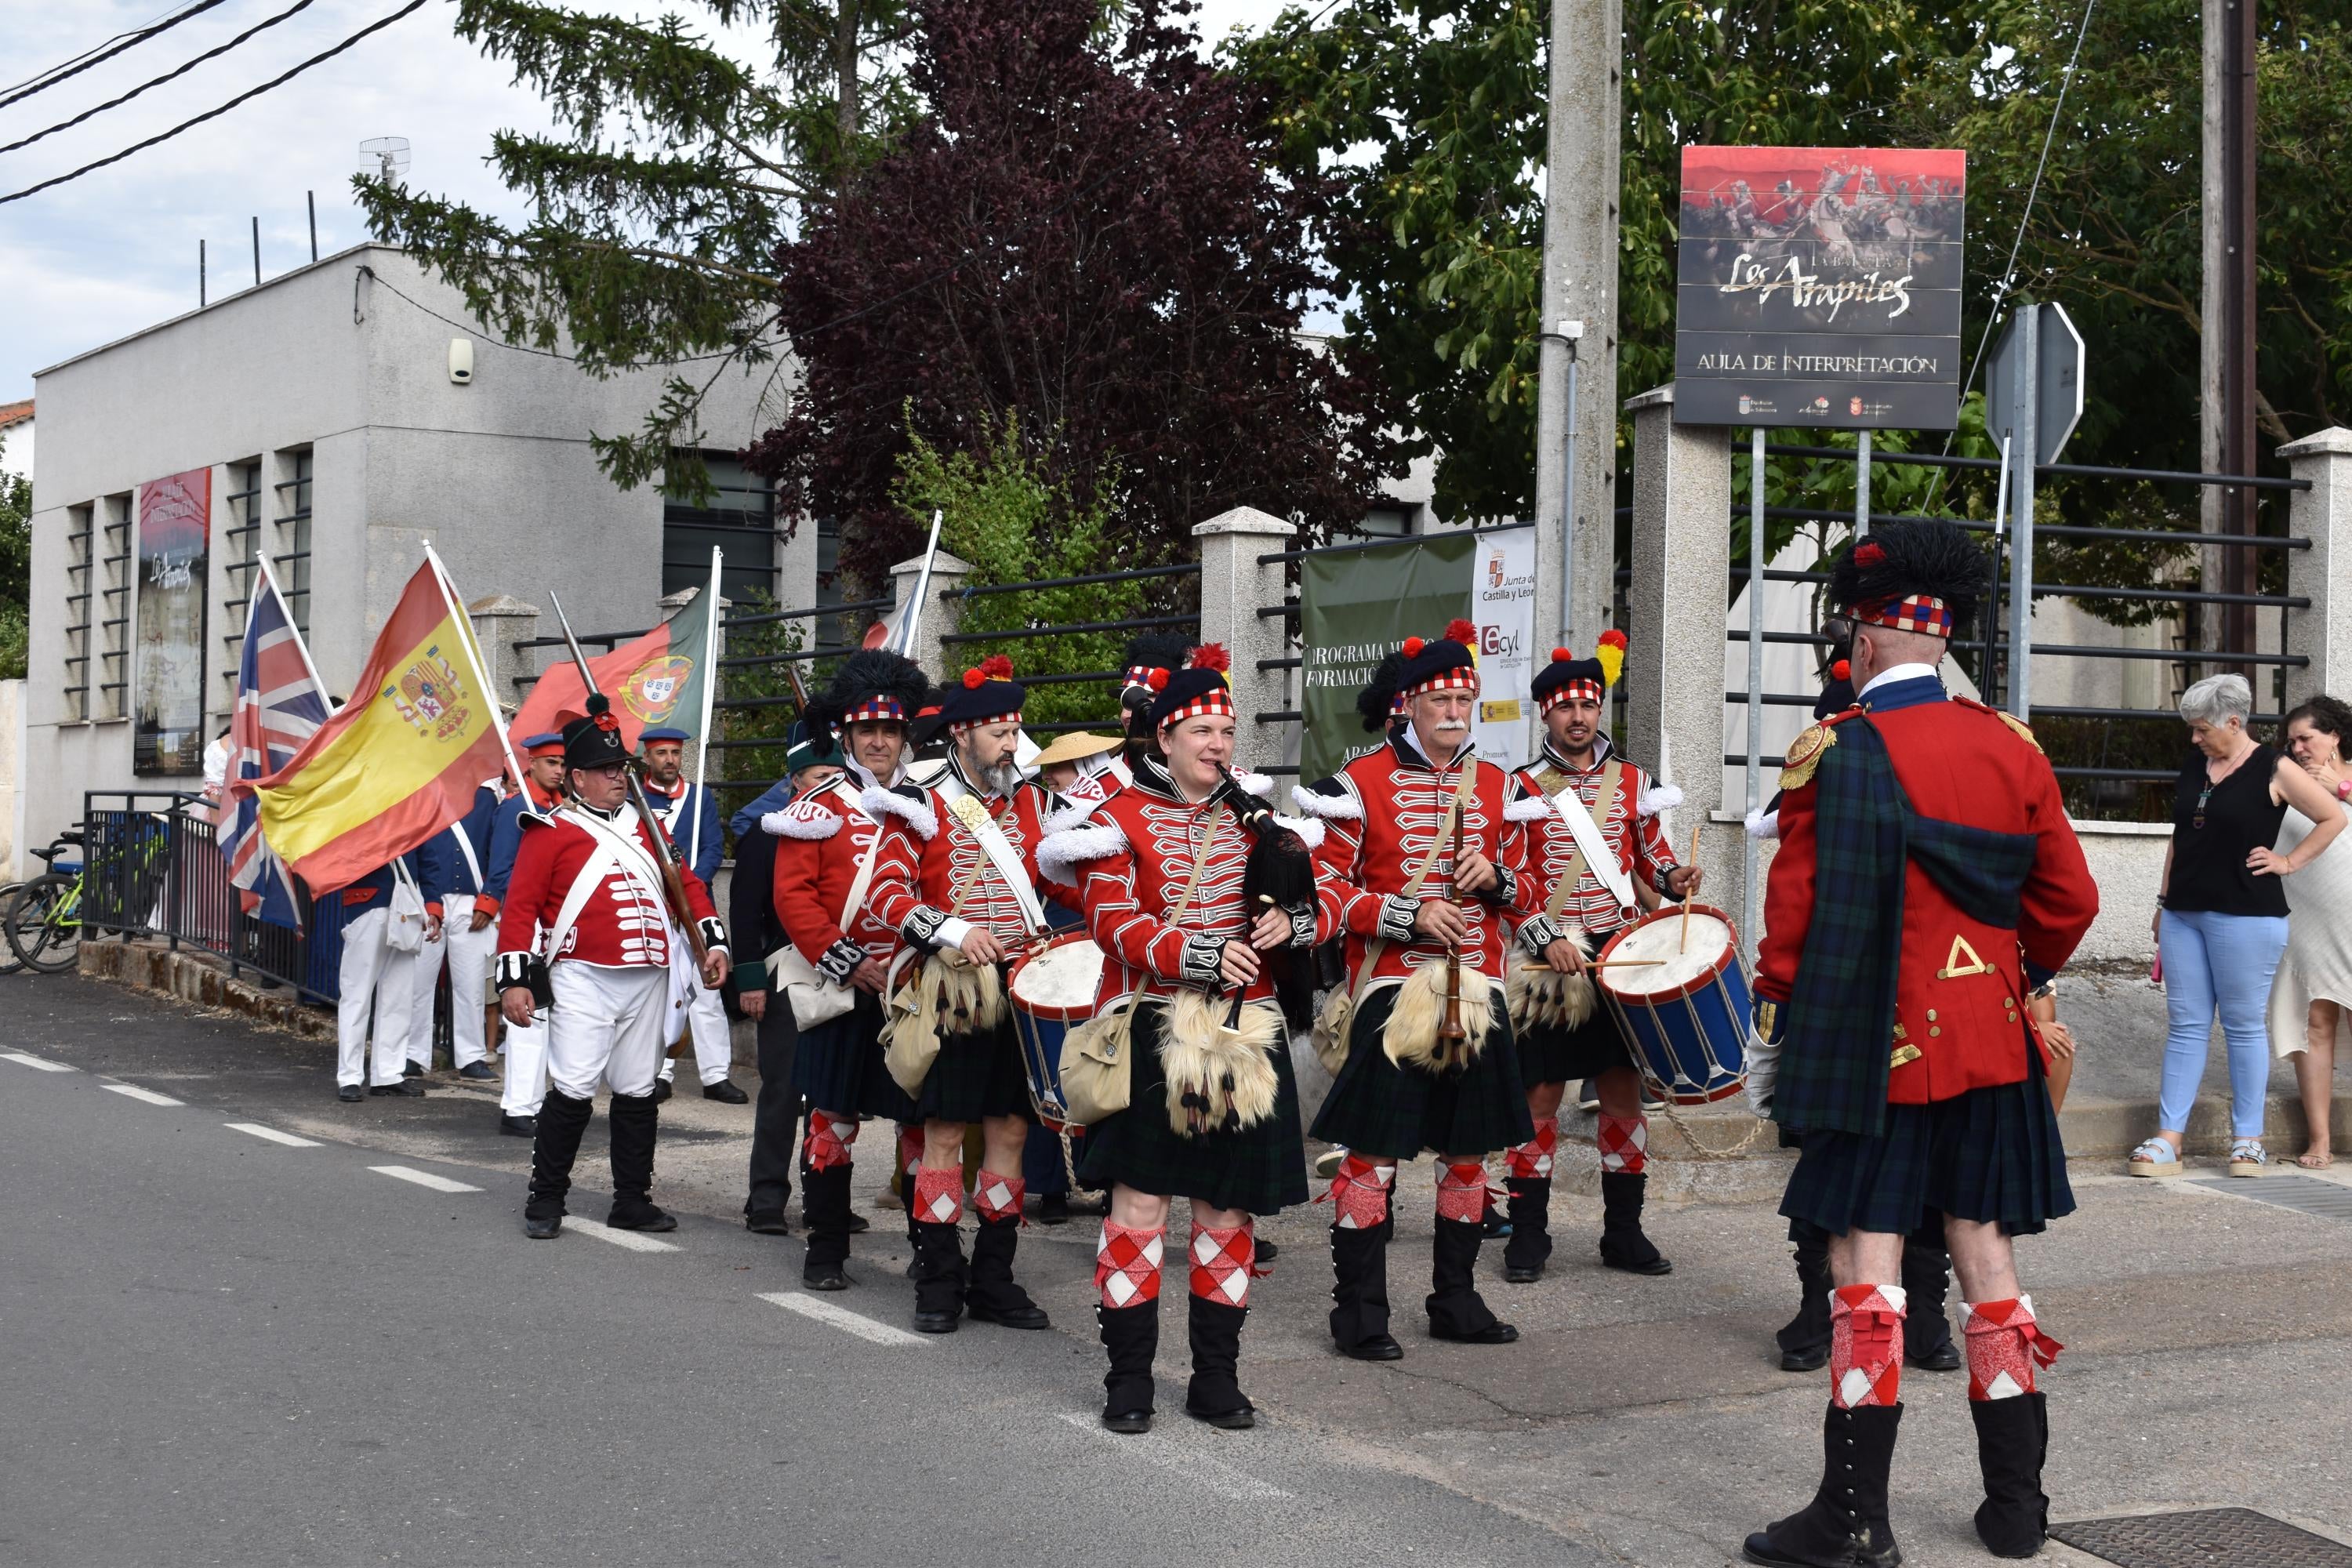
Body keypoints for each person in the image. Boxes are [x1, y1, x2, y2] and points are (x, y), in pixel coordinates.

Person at [1741, 521, 2100, 1566]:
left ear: (1863, 638)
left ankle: (1855, 1519)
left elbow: (1795, 925)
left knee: (1868, 1266)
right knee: (1989, 1258)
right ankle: (2018, 1511)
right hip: (1989, 1047)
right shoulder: (2011, 746)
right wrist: (2013, 976)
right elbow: (2070, 899)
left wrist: (1780, 1012)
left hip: (1873, 1053)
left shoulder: (1837, 751)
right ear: (1942, 640)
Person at [1040, 645, 1324, 1432]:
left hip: (1245, 1033)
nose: (1218, 743)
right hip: (1154, 1027)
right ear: (1162, 737)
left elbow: (1331, 897)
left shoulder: (1260, 815)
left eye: (1227, 729)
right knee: (1137, 1206)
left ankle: (1215, 1379)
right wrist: (1195, 952)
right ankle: (1129, 1380)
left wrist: (1290, 921)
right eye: (1201, 728)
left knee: (1229, 1212)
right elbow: (1111, 920)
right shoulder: (1113, 818)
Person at [1293, 619, 1534, 1360]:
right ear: (1409, 707)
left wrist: (1495, 880)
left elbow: (1526, 894)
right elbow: (1324, 897)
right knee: (1374, 1158)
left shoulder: (1503, 787)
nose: (1456, 713)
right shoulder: (1356, 783)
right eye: (1442, 702)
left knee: (1468, 1157)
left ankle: (1455, 1300)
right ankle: (1359, 1312)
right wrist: (1405, 910)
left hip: (1480, 990)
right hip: (1392, 992)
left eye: (1466, 699)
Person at [866, 655, 1069, 1333]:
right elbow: (885, 893)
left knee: (1011, 1129)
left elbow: (1070, 883)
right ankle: (939, 1278)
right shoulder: (920, 802)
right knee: (945, 1134)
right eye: (998, 733)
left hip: (1022, 990)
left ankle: (995, 1278)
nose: (1012, 745)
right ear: (960, 735)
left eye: (1015, 732)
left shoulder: (1040, 802)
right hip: (952, 993)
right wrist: (950, 929)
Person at [1498, 635, 1697, 1282]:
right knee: (1541, 1098)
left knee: (1621, 1093)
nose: (1578, 717)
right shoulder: (1520, 788)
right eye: (1564, 708)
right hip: (1550, 955)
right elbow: (1511, 881)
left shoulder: (1633, 781)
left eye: (1587, 705)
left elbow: (1649, 856)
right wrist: (1540, 936)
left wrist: (1674, 879)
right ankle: (1528, 1236)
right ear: (1545, 715)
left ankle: (1624, 1233)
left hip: (1619, 952)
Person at [495, 699, 730, 1240]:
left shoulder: (646, 825)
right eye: (605, 770)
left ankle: (632, 1201)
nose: (617, 777)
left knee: (637, 1089)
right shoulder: (549, 830)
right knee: (574, 1088)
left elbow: (685, 884)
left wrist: (711, 942)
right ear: (577, 778)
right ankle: (546, 1199)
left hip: (648, 975)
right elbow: (522, 907)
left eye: (620, 767)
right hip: (582, 973)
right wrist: (513, 981)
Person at [2131, 673, 2344, 1178]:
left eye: (2202, 728)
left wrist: (2288, 862)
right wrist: (2164, 901)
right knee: (2186, 1026)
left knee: (2244, 1026)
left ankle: (2247, 1139)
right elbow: (2181, 835)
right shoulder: (2194, 764)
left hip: (2247, 915)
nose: (2194, 738)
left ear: (2234, 721)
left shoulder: (2276, 768)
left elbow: (2332, 817)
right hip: (2185, 913)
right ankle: (2169, 1139)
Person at [763, 650, 929, 1288]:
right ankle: (825, 1250)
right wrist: (847, 959)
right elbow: (793, 897)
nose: (880, 741)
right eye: (868, 732)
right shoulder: (820, 802)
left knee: (920, 1125)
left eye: (890, 732)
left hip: (913, 988)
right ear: (848, 737)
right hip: (844, 986)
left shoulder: (927, 803)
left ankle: (927, 1246)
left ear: (904, 737)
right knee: (832, 1121)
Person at [641, 725, 749, 1105]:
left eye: (675, 753)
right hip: (653, 909)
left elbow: (712, 849)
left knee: (708, 991)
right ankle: (658, 1072)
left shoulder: (699, 797)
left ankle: (716, 1075)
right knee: (657, 993)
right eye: (661, 753)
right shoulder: (636, 800)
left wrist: (689, 889)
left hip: (694, 906)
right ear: (647, 758)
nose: (669, 760)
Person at [2266, 694, 2352, 1167]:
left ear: (2335, 736)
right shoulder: (2283, 780)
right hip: (2305, 919)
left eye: (2307, 737)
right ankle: (2320, 1139)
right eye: (2291, 739)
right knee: (2314, 1023)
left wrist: (2339, 788)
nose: (2297, 747)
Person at [481, 731, 568, 1137]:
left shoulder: (563, 809)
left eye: (563, 764)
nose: (559, 770)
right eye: (552, 763)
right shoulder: (518, 808)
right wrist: (499, 912)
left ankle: (533, 1102)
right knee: (528, 1014)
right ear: (530, 764)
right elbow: (501, 869)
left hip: (555, 924)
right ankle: (518, 1107)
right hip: (527, 922)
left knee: (548, 1014)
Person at [334, 848, 443, 1102]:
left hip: (408, 904)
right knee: (357, 995)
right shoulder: (350, 807)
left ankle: (389, 1074)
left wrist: (433, 906)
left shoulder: (412, 807)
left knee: (399, 996)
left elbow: (428, 857)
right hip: (366, 901)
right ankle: (349, 1075)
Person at [416, 782, 503, 1081]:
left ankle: (471, 1056)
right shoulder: (422, 791)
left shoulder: (486, 798)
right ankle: (414, 1054)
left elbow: (498, 852)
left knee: (472, 986)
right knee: (419, 983)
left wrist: (490, 900)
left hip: (472, 900)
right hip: (428, 898)